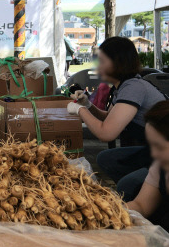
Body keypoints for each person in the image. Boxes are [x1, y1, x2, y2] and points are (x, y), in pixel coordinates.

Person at [67, 36, 166, 201]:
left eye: (102, 61)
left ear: (118, 63)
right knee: (107, 158)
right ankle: (141, 193)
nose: (98, 67)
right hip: (153, 150)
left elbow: (107, 133)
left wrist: (80, 110)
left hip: (164, 153)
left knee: (126, 185)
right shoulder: (123, 86)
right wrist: (88, 105)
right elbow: (108, 118)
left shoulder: (133, 88)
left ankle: (145, 201)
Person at [128, 101, 169, 230]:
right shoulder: (160, 166)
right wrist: (111, 211)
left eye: (159, 147)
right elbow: (141, 205)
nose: (154, 154)